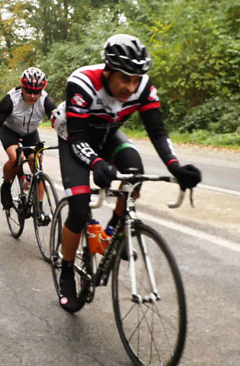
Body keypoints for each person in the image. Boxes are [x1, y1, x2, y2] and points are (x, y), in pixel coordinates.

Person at [52, 34, 202, 311]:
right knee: (79, 206)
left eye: (136, 80)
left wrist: (176, 167)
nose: (130, 87)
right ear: (108, 70)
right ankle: (67, 272)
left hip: (108, 134)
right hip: (73, 136)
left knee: (135, 174)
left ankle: (112, 233)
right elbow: (78, 138)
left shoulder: (143, 87)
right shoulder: (82, 82)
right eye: (124, 78)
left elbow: (158, 132)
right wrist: (96, 163)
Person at [0, 67, 56, 215]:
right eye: (28, 91)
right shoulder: (10, 100)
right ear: (22, 87)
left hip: (30, 133)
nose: (32, 96)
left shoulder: (46, 101)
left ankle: (39, 209)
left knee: (37, 163)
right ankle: (5, 186)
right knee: (17, 157)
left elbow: (59, 123)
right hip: (9, 131)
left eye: (37, 92)